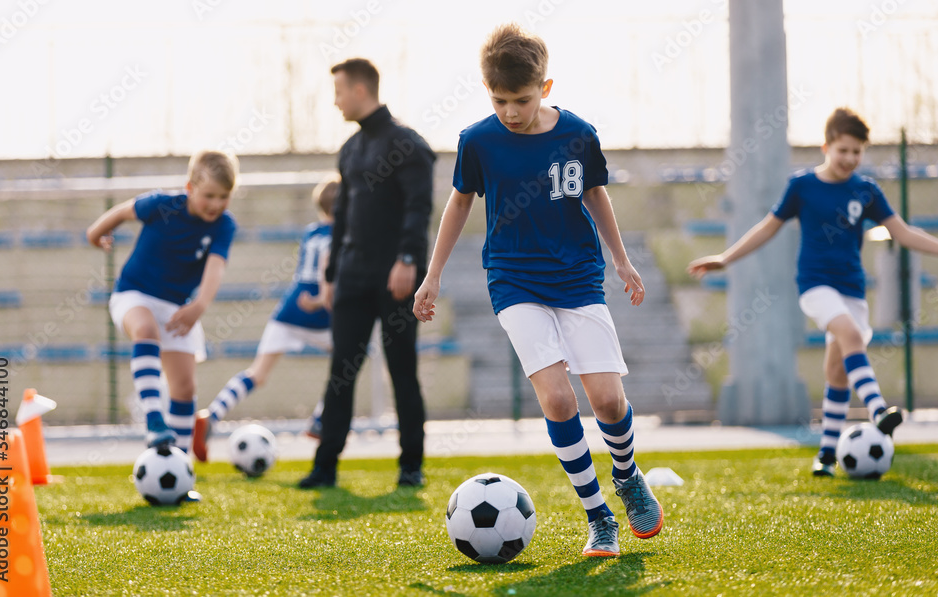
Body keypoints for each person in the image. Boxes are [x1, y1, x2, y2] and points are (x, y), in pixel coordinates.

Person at [413, 23, 664, 558]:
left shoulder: (578, 134)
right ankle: (599, 517)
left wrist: (621, 261)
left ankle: (626, 475)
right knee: (555, 397)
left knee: (608, 400)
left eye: (521, 100)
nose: (509, 111)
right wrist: (432, 274)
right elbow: (459, 203)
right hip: (513, 277)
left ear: (545, 89)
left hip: (577, 276)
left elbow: (596, 194)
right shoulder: (476, 141)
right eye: (499, 99)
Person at [687, 107, 938, 477]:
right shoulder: (802, 186)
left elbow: (902, 232)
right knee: (850, 334)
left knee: (837, 369)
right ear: (826, 146)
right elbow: (767, 228)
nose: (850, 159)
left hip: (852, 290)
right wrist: (725, 258)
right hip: (814, 286)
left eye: (857, 152)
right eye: (844, 151)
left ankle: (825, 454)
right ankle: (878, 410)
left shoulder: (866, 190)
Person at [298, 58, 435, 490]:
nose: (336, 101)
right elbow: (341, 220)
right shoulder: (350, 149)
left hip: (396, 278)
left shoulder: (408, 144)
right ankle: (325, 467)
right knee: (341, 371)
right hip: (353, 278)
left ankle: (410, 466)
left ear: (359, 90)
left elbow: (419, 208)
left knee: (402, 371)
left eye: (339, 92)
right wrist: (332, 274)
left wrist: (408, 261)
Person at [86, 150, 239, 499]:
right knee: (145, 331)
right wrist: (96, 234)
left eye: (223, 197)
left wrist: (199, 305)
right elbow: (123, 211)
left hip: (178, 308)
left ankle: (181, 473)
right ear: (189, 187)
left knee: (184, 388)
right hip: (133, 294)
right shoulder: (161, 205)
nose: (215, 204)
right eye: (209, 195)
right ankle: (154, 420)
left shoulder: (224, 225)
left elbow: (216, 267)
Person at [192, 175, 339, 462]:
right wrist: (322, 299)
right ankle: (321, 418)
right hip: (317, 310)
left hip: (288, 311)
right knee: (348, 360)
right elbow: (327, 266)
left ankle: (212, 414)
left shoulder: (311, 231)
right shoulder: (339, 235)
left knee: (257, 373)